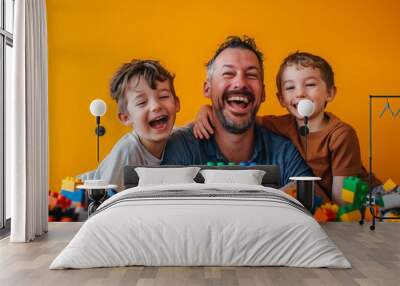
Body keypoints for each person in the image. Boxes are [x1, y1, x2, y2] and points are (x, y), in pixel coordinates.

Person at [193, 51, 379, 204]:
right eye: (290, 88)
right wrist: (206, 109)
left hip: (364, 198)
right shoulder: (283, 125)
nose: (300, 93)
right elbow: (241, 116)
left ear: (330, 92)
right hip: (323, 202)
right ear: (281, 98)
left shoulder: (341, 135)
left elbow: (343, 200)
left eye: (311, 85)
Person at [162, 36, 311, 187]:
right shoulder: (181, 147)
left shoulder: (284, 152)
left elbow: (312, 205)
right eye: (228, 74)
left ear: (263, 93)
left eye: (251, 75)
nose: (240, 83)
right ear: (208, 89)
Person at [80, 59, 180, 188]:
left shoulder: (178, 138)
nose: (156, 106)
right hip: (84, 196)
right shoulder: (127, 152)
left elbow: (191, 128)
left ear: (177, 103)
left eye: (163, 96)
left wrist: (204, 111)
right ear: (126, 117)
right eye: (142, 102)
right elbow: (106, 199)